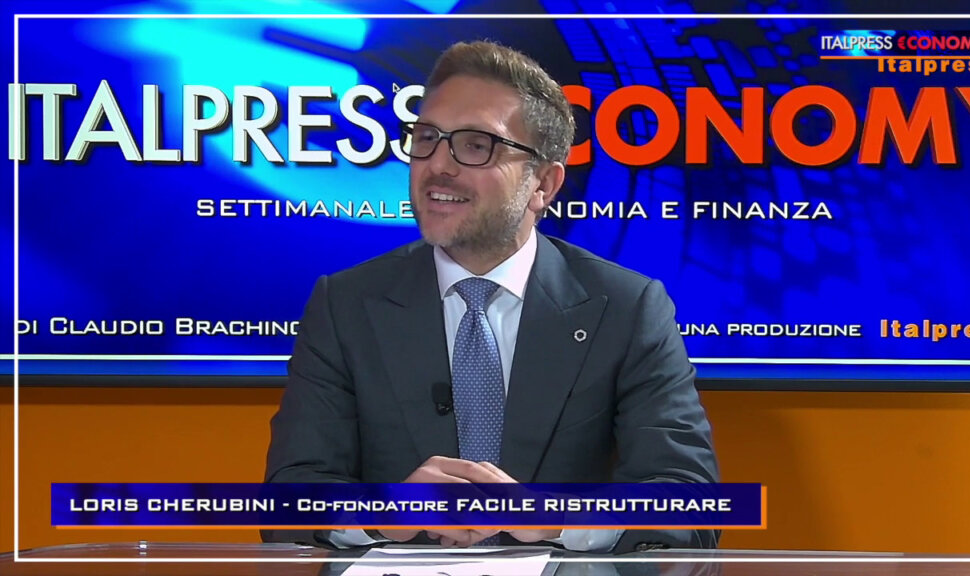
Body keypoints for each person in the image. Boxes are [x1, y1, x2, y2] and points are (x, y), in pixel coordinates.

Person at [264, 40, 719, 554]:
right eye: (427, 138)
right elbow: (288, 497)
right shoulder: (345, 305)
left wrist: (551, 517)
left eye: (476, 145)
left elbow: (691, 503)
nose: (438, 165)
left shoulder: (627, 308)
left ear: (543, 184)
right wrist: (383, 512)